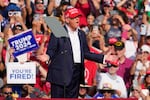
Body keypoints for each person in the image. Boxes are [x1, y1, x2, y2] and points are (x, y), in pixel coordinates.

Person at [37, 7, 115, 98]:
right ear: (67, 19)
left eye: (78, 17)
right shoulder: (59, 30)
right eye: (74, 17)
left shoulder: (81, 34)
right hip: (61, 72)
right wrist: (47, 56)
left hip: (76, 72)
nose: (77, 19)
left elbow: (86, 53)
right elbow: (52, 49)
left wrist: (103, 58)